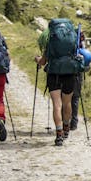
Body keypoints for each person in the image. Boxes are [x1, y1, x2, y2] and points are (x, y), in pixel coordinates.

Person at [36, 18, 81, 146]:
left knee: (57, 104)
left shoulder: (51, 40)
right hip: (69, 72)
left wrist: (37, 60)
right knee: (67, 102)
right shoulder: (72, 37)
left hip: (54, 73)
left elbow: (43, 61)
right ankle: (66, 126)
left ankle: (59, 133)